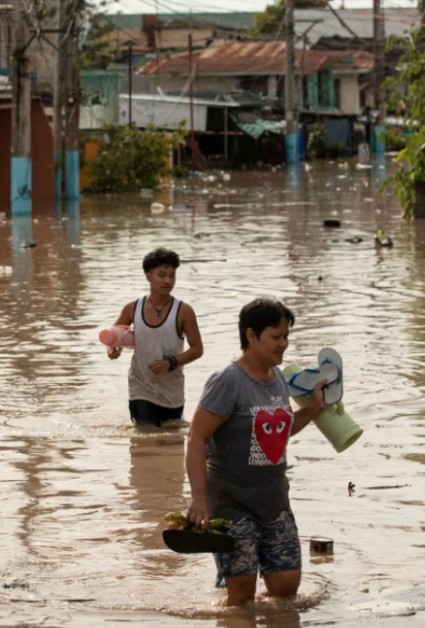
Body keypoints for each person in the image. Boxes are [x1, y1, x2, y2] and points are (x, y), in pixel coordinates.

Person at [184, 298, 327, 606]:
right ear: (251, 336)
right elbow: (196, 437)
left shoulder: (277, 377)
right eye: (276, 336)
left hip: (275, 501)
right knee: (241, 598)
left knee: (287, 589)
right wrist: (198, 498)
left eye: (286, 336)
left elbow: (278, 431)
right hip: (233, 505)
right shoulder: (227, 381)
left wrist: (314, 409)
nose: (284, 344)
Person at [108, 248, 204, 428]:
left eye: (172, 276)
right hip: (140, 388)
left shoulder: (184, 311)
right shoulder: (132, 309)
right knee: (146, 438)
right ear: (148, 276)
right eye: (162, 275)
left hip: (172, 390)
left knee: (172, 441)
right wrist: (113, 350)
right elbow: (114, 338)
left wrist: (171, 363)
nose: (168, 281)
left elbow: (198, 349)